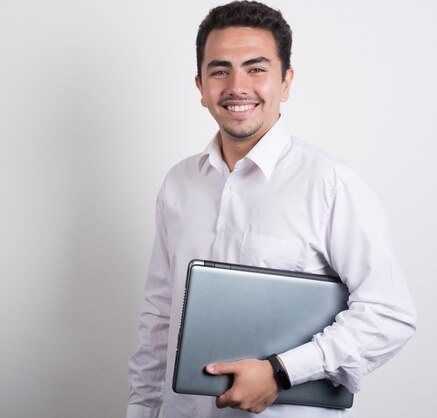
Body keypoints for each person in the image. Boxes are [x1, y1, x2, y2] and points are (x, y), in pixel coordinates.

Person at [126, 1, 417, 417]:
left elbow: (390, 314)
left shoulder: (331, 185)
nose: (236, 86)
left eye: (256, 68)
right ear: (200, 85)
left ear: (286, 82)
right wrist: (141, 410)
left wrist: (281, 372)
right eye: (220, 69)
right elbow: (159, 316)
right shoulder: (178, 183)